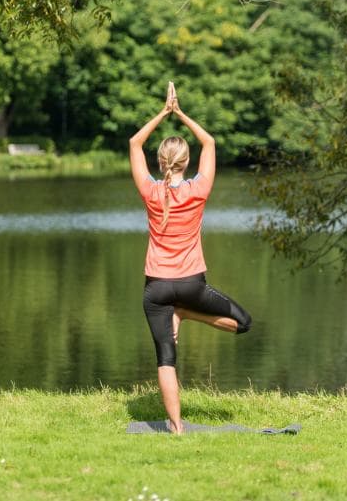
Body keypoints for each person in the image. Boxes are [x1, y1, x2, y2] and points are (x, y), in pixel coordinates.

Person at [129, 81, 252, 434]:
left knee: (166, 359)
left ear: (161, 162)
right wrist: (180, 113)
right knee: (243, 323)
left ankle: (176, 427)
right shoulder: (199, 189)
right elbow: (209, 142)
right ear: (186, 162)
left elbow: (134, 142)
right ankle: (187, 312)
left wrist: (162, 113)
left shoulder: (151, 191)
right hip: (192, 285)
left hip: (156, 290)